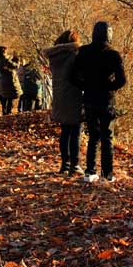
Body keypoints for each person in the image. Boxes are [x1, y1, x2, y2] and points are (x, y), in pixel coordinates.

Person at [70, 21, 126, 183]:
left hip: (88, 98)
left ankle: (89, 172)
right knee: (107, 136)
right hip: (106, 99)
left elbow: (72, 77)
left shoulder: (83, 52)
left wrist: (86, 86)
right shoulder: (113, 54)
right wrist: (110, 87)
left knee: (93, 136)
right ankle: (107, 174)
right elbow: (121, 80)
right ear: (109, 34)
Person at [43, 30, 84, 176]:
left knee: (65, 132)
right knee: (76, 132)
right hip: (74, 96)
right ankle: (75, 164)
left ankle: (64, 165)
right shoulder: (74, 56)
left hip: (59, 96)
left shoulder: (54, 58)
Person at [0, 46, 21, 115]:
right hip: (10, 80)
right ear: (4, 52)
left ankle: (5, 112)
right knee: (10, 97)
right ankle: (8, 112)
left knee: (5, 97)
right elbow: (15, 66)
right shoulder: (5, 60)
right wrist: (17, 59)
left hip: (3, 80)